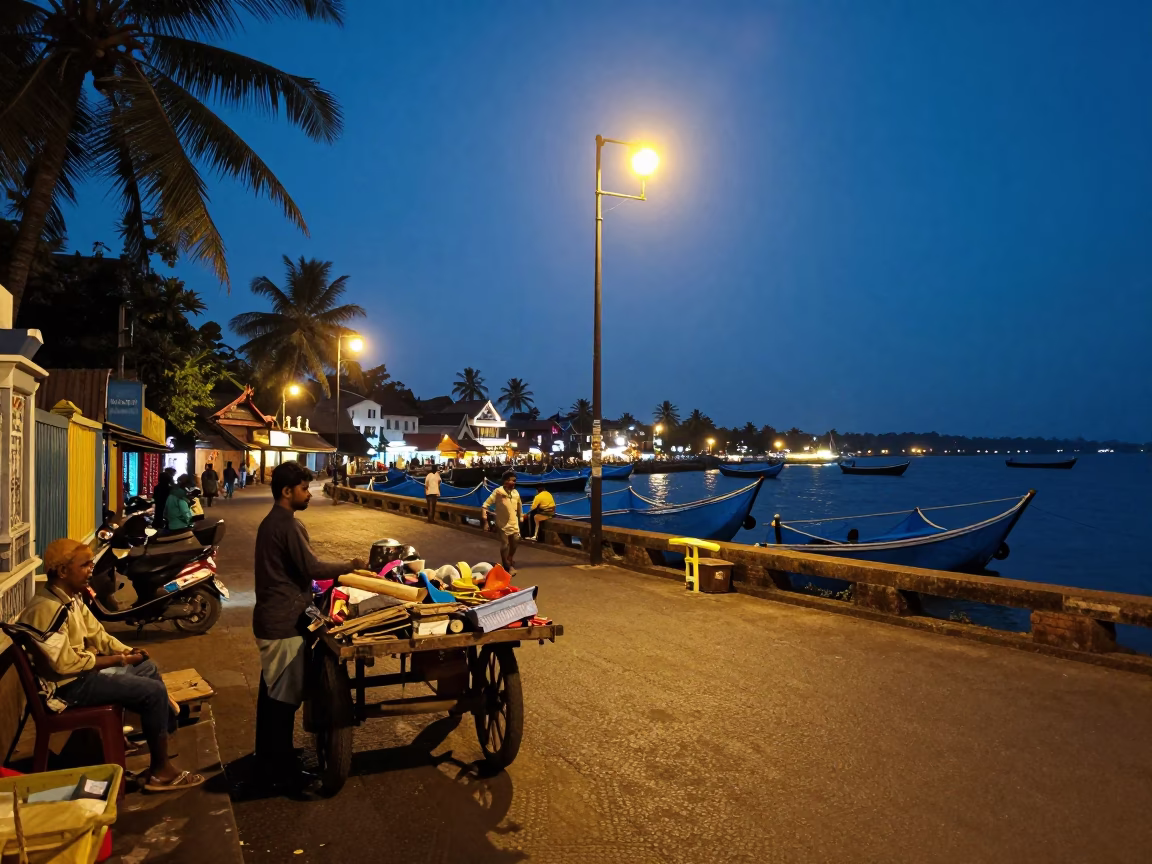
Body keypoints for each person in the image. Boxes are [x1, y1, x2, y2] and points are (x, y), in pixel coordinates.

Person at [15, 538, 203, 791]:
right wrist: (119, 659)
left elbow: (98, 635)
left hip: (79, 678)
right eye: (84, 565)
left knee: (147, 668)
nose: (91, 570)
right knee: (153, 691)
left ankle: (160, 739)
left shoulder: (71, 599)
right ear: (62, 571)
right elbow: (65, 665)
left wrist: (127, 651)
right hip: (68, 688)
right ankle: (161, 772)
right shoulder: (48, 608)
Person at [252, 461, 364, 792]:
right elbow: (312, 567)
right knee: (283, 702)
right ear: (287, 492)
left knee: (273, 697)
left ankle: (271, 759)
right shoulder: (286, 525)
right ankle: (280, 771)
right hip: (282, 622)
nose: (309, 494)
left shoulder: (271, 523)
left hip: (276, 616)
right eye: (304, 488)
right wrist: (351, 566)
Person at [482, 470, 522, 575]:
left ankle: (509, 558)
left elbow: (519, 505)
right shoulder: (498, 492)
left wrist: (521, 517)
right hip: (502, 522)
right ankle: (506, 565)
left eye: (515, 481)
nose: (514, 483)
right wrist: (485, 521)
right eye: (512, 481)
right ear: (505, 481)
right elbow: (485, 505)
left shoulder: (516, 493)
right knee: (505, 544)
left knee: (516, 540)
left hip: (514, 522)